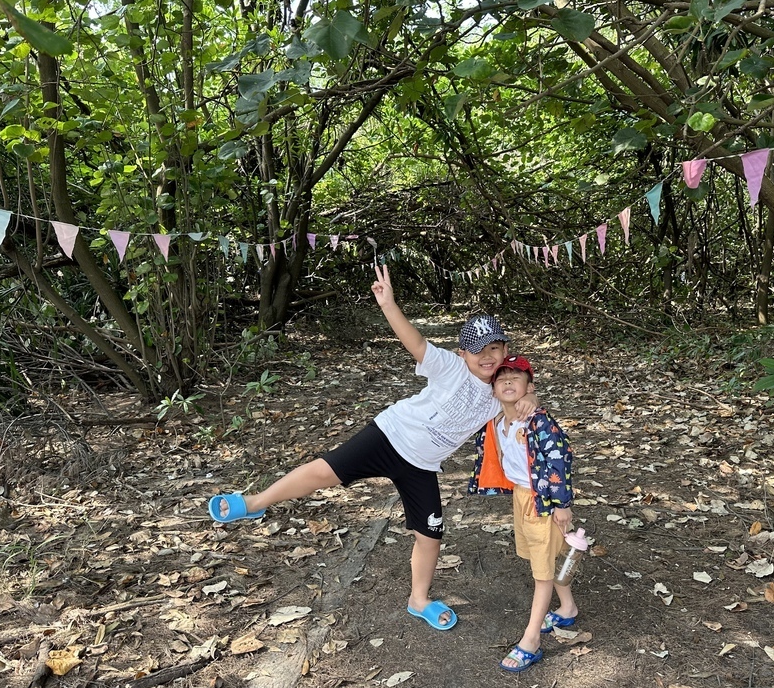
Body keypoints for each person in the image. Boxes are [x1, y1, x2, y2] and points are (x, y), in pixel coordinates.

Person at [209, 264, 537, 631]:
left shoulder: (501, 389)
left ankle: (419, 599)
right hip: (388, 435)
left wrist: (531, 399)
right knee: (322, 471)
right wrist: (388, 305)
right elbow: (414, 341)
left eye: (495, 349)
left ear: (505, 349)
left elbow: (520, 398)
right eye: (479, 351)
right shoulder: (449, 366)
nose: (488, 357)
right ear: (463, 353)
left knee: (430, 535)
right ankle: (252, 503)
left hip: (422, 466)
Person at [468, 355, 578, 672]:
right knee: (544, 555)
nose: (507, 381)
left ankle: (531, 640)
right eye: (501, 377)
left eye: (516, 377)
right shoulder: (497, 422)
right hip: (521, 496)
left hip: (542, 499)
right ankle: (568, 607)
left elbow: (560, 460)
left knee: (542, 573)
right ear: (493, 389)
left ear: (529, 386)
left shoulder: (538, 421)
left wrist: (562, 504)